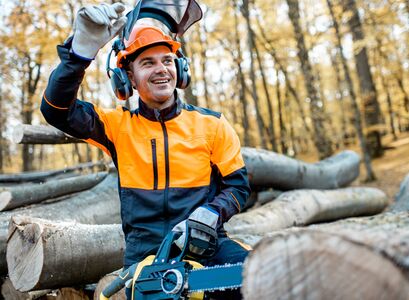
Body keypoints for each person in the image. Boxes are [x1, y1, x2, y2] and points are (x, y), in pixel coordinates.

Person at [40, 2, 251, 299]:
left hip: (206, 246)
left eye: (166, 60)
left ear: (179, 68)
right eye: (148, 62)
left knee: (257, 277)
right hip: (147, 259)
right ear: (128, 79)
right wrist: (79, 55)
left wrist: (211, 213)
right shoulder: (116, 126)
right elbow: (55, 110)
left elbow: (238, 186)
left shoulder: (212, 124)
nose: (161, 69)